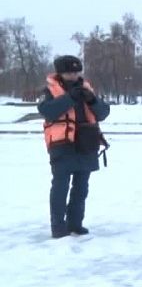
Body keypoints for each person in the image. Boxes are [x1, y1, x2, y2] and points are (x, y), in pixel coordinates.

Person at [37, 55, 110, 239]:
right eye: (70, 72)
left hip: (86, 143)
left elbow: (102, 113)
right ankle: (58, 226)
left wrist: (92, 100)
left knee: (81, 187)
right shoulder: (49, 90)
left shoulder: (86, 88)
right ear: (60, 72)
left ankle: (75, 223)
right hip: (62, 144)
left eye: (77, 71)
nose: (74, 75)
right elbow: (47, 111)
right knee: (60, 185)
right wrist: (70, 98)